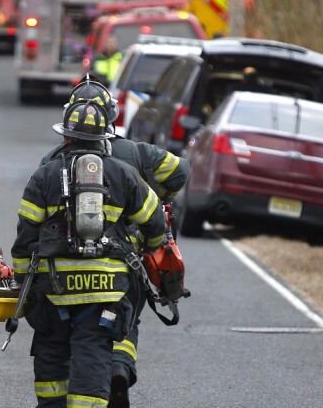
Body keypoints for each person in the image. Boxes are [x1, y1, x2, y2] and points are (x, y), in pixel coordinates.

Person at [40, 77, 189, 408]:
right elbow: (180, 172)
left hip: (61, 264)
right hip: (123, 257)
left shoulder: (51, 160)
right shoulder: (135, 154)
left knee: (69, 331)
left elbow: (36, 219)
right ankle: (119, 368)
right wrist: (155, 193)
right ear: (111, 118)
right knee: (124, 316)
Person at [11, 100, 168, 408]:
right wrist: (150, 247)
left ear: (66, 137)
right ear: (103, 138)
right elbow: (155, 222)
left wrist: (21, 282)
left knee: (52, 353)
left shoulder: (44, 176)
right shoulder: (123, 174)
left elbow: (26, 236)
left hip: (55, 290)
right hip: (106, 292)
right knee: (93, 355)